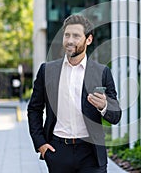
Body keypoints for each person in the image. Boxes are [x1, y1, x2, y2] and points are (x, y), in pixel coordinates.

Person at [27, 14, 121, 173]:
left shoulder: (102, 72)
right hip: (58, 152)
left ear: (88, 40)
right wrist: (41, 144)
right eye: (67, 35)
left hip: (91, 154)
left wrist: (104, 106)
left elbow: (115, 116)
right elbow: (34, 109)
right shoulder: (47, 71)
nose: (70, 40)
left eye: (76, 36)